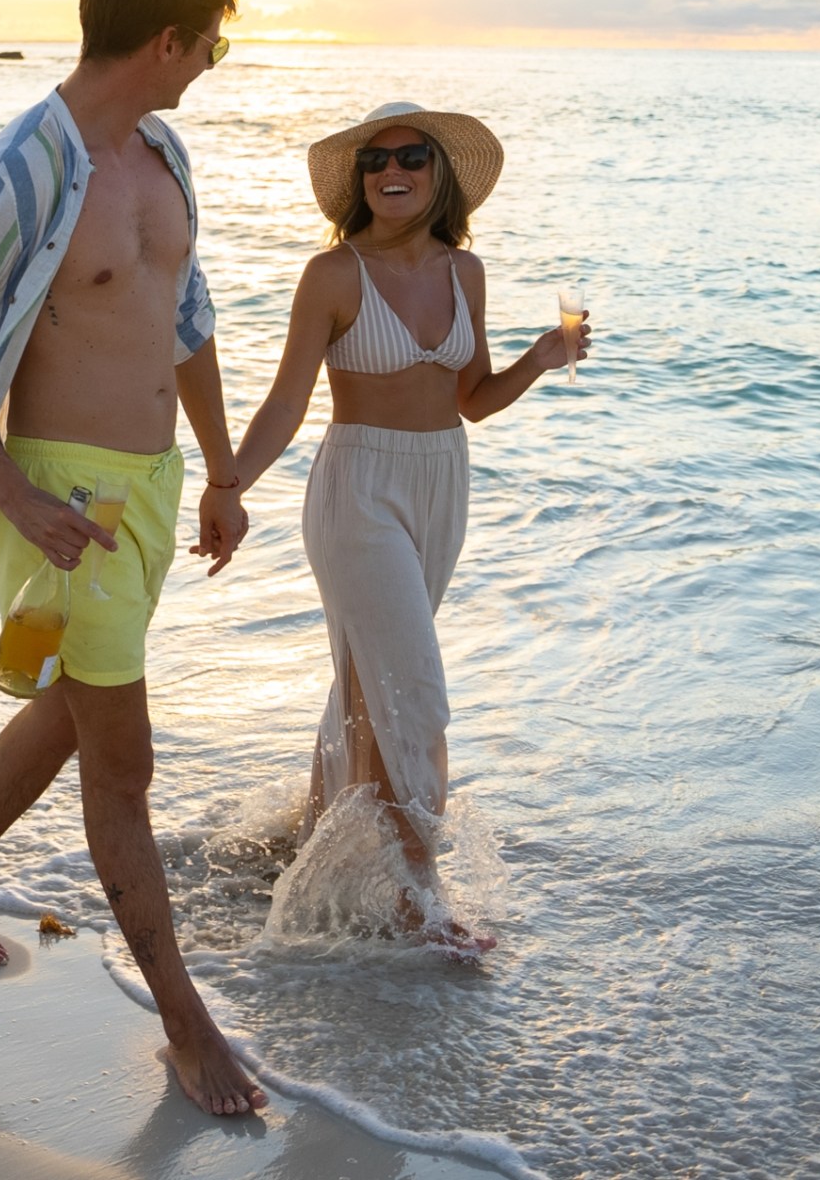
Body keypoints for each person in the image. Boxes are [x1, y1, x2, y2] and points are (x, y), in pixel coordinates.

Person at [0, 0, 266, 1116]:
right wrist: (19, 498)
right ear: (168, 39)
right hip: (66, 499)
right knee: (124, 762)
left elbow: (184, 318)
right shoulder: (20, 170)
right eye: (212, 39)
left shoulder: (162, 152)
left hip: (151, 488)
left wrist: (216, 471)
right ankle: (188, 1026)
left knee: (71, 701)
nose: (216, 59)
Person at [223, 102, 590, 950]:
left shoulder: (467, 273)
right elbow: (286, 400)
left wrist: (539, 360)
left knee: (368, 682)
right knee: (413, 694)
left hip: (440, 483)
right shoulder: (334, 275)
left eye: (412, 156)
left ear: (439, 174)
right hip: (358, 486)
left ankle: (311, 847)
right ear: (358, 181)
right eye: (375, 158)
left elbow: (472, 399)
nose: (393, 170)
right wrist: (229, 485)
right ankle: (416, 902)